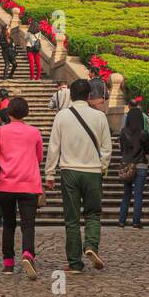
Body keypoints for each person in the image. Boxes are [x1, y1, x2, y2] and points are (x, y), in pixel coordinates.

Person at [43, 78, 111, 274]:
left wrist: (49, 173)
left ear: (71, 95)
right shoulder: (99, 117)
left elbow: (54, 146)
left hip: (69, 171)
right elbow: (107, 147)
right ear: (89, 95)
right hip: (92, 171)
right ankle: (91, 245)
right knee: (93, 213)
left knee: (72, 219)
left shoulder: (62, 116)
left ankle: (74, 263)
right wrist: (103, 167)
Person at [0, 95, 43, 278]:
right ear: (26, 112)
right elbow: (39, 157)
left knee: (9, 225)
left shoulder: (0, 132)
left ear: (9, 111)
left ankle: (8, 263)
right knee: (28, 225)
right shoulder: (34, 132)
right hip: (29, 183)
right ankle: (28, 253)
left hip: (5, 184)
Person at [116, 96, 149, 228]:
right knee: (138, 195)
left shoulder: (124, 132)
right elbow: (147, 150)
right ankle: (136, 221)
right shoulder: (144, 133)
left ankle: (121, 220)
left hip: (127, 164)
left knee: (126, 194)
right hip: (140, 164)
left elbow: (122, 148)